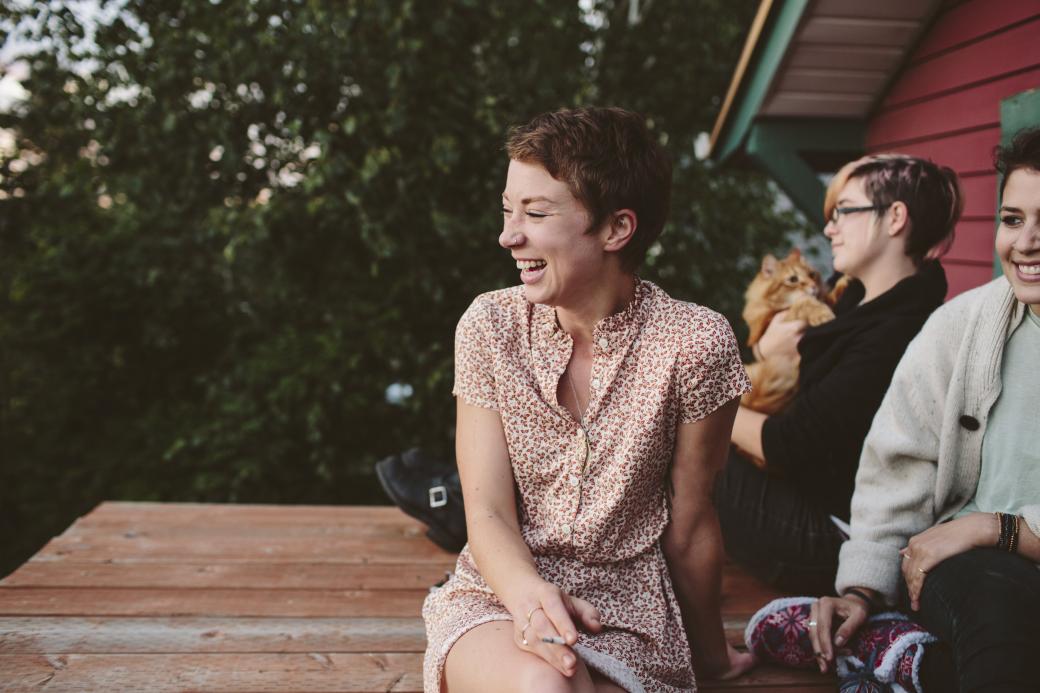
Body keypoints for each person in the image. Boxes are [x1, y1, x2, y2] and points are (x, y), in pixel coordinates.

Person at [421, 107, 755, 693]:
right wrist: (529, 596)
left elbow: (692, 522)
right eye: (507, 209)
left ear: (615, 229)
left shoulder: (695, 342)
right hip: (501, 593)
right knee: (545, 686)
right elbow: (488, 511)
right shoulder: (487, 326)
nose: (508, 235)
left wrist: (714, 659)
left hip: (632, 615)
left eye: (536, 213)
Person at [809, 127, 1040, 691]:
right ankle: (891, 644)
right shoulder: (959, 328)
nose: (1027, 242)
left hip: (990, 542)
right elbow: (897, 464)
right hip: (976, 574)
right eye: (1012, 220)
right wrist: (860, 589)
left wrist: (999, 528)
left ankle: (907, 664)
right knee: (998, 613)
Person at [716, 154, 963, 595]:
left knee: (677, 439)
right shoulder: (858, 302)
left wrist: (706, 408)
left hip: (839, 541)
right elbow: (782, 346)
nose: (829, 228)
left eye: (844, 212)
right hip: (806, 501)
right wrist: (762, 347)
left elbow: (786, 446)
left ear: (895, 218)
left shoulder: (900, 333)